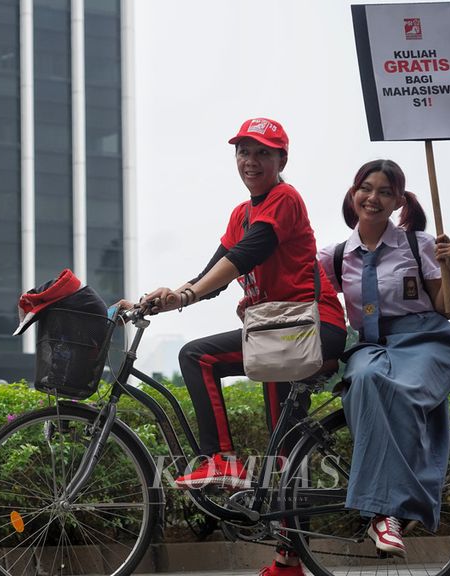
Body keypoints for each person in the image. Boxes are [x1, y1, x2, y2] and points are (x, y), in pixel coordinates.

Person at [119, 117, 347, 576]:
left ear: (282, 160)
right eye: (243, 151)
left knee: (196, 355)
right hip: (275, 334)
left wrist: (187, 294)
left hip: (311, 328)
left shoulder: (285, 199)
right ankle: (289, 562)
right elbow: (217, 269)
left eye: (263, 152)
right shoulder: (241, 214)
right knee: (285, 447)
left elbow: (247, 254)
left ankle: (220, 459)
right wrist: (165, 298)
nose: (251, 161)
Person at [315, 159, 450, 560]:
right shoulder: (335, 256)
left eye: (384, 191)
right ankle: (392, 506)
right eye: (366, 188)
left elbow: (446, 307)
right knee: (362, 381)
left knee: (393, 388)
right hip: (371, 346)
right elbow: (296, 284)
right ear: (353, 193)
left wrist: (448, 267)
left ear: (398, 199)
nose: (373, 197)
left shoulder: (421, 244)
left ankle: (386, 516)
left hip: (424, 339)